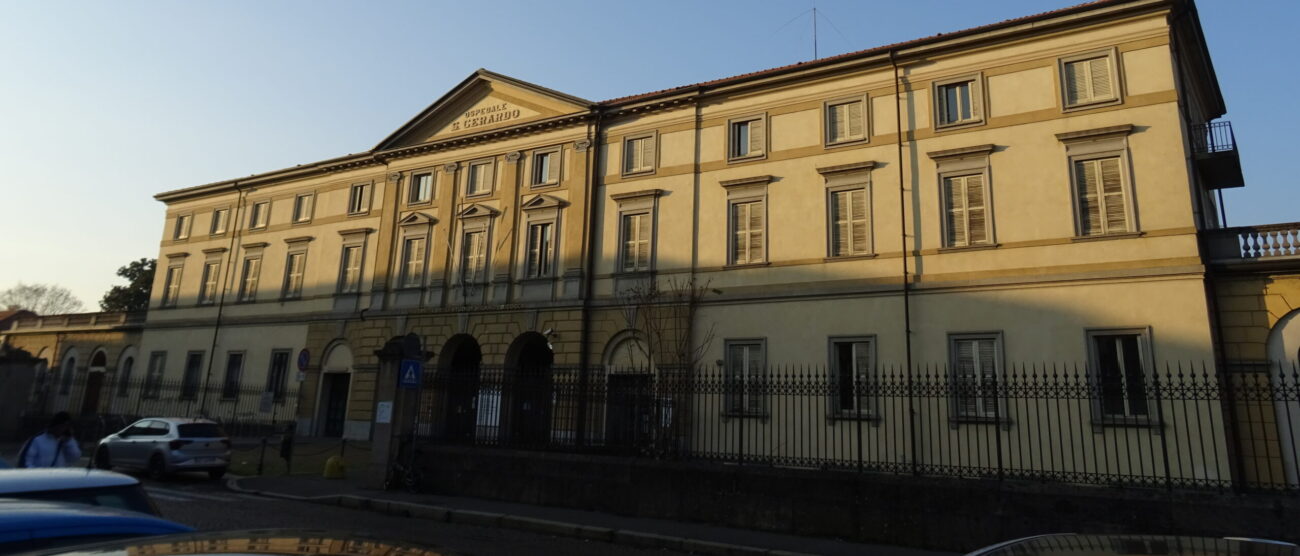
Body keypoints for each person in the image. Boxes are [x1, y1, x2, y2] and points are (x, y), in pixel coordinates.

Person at [17, 412, 82, 468]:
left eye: (66, 426)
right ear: (55, 425)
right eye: (62, 426)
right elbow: (25, 462)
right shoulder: (37, 440)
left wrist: (69, 441)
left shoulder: (67, 442)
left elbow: (75, 457)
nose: (63, 429)